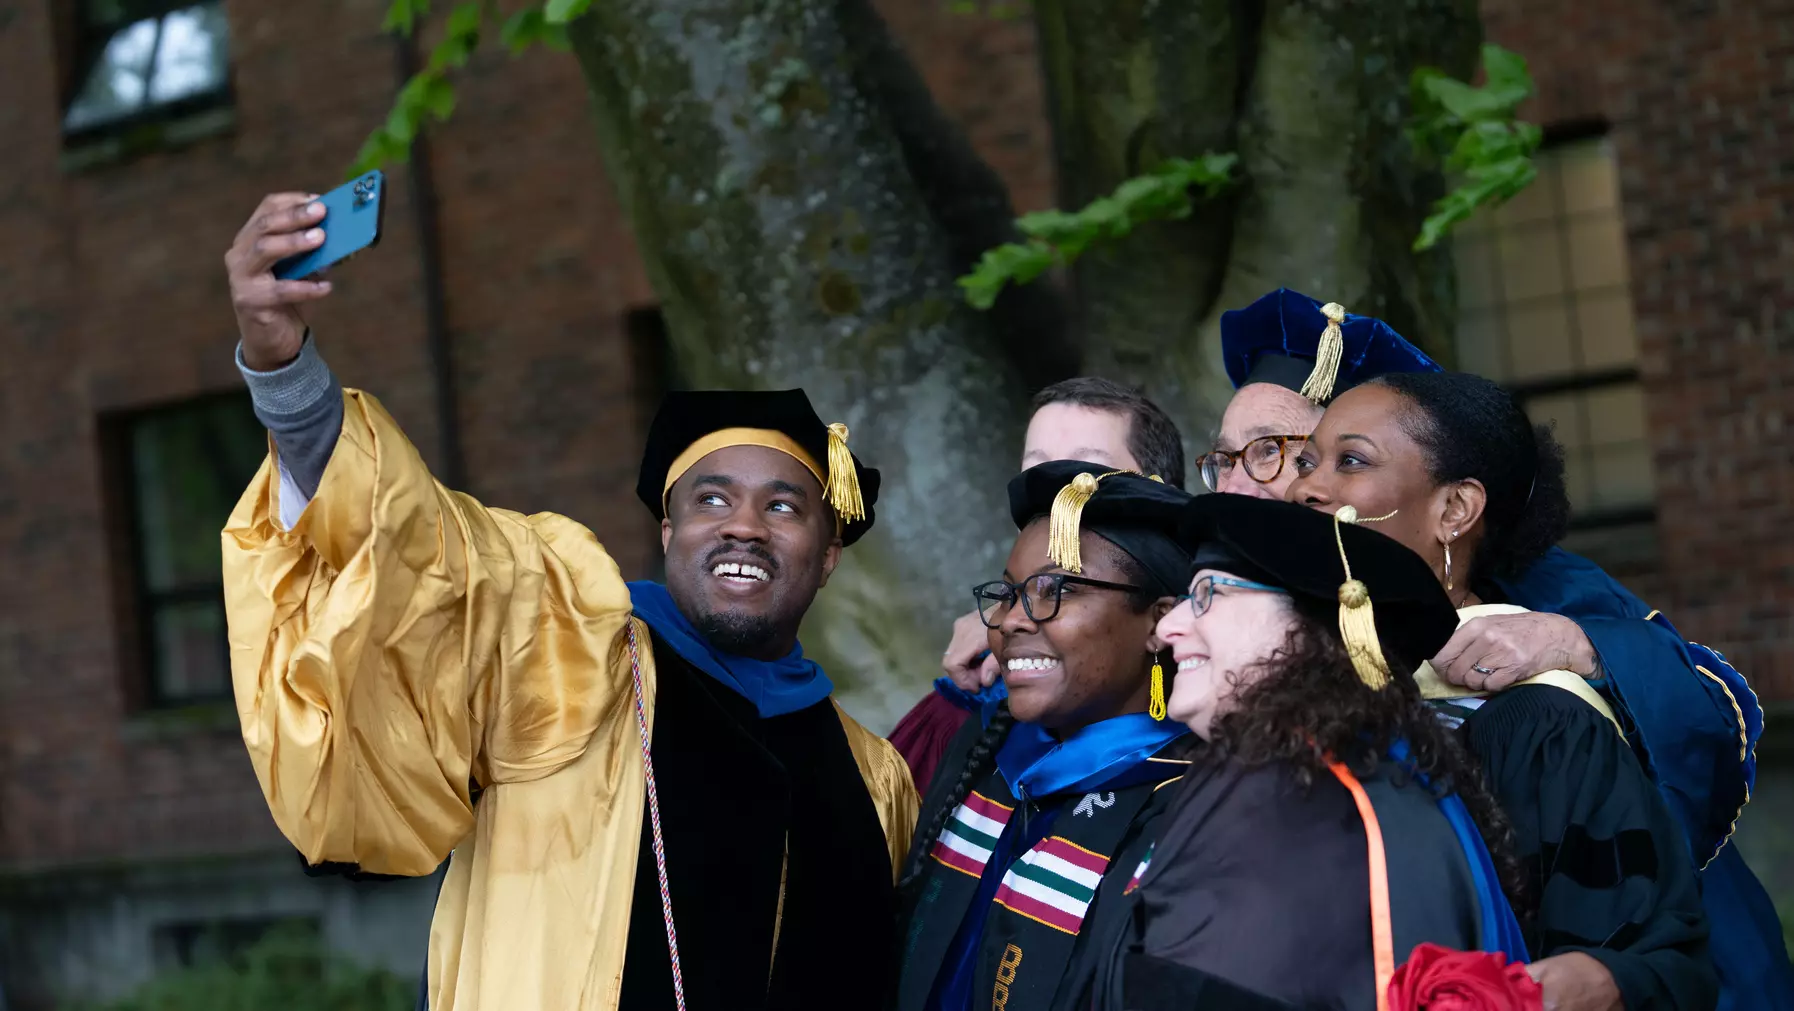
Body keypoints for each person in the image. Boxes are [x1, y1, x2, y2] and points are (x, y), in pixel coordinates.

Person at [218, 194, 917, 1011]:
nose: (745, 529)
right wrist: (284, 371)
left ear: (828, 555)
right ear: (668, 529)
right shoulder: (562, 652)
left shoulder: (876, 777)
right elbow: (422, 546)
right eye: (712, 500)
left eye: (786, 507)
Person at [1210, 288, 1787, 1011]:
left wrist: (1578, 642)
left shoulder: (1544, 596)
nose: (1249, 483)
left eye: (1273, 452)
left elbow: (1704, 709)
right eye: (1225, 456)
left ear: (1454, 506)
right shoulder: (1245, 615)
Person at [1288, 370, 1720, 1010]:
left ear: (1455, 509)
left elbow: (1636, 966)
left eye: (1349, 461)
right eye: (1306, 461)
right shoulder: (1298, 693)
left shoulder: (1542, 723)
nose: (1304, 488)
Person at [1085, 494, 1532, 1011]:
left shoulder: (1280, 794)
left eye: (1208, 594)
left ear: (1306, 630)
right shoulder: (1389, 771)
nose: (1167, 628)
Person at [893, 463, 1193, 1011]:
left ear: (1158, 622)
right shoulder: (990, 754)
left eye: (1056, 589)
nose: (1010, 620)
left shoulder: (1185, 806)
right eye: (1008, 594)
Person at [890, 379, 1186, 790]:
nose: (1056, 489)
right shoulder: (967, 708)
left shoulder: (1205, 712)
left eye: (1086, 472)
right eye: (1037, 469)